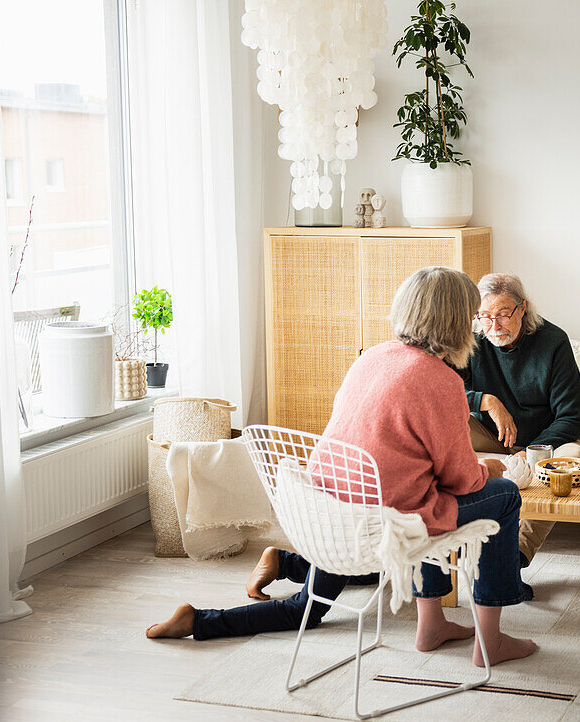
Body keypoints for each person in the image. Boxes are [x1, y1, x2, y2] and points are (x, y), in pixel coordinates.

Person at [147, 267, 537, 668]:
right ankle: (490, 641)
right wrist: (489, 469)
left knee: (302, 609)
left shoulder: (374, 356)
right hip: (380, 519)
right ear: (457, 322)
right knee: (503, 497)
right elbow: (462, 479)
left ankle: (200, 621)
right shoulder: (441, 381)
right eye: (473, 316)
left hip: (332, 509)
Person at [465, 273, 580, 566]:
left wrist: (530, 449)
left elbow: (572, 416)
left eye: (504, 314)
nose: (494, 326)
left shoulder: (553, 340)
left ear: (523, 308)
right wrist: (487, 401)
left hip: (541, 442)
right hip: (488, 433)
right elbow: (442, 395)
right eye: (485, 316)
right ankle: (448, 535)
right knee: (436, 431)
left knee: (573, 456)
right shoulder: (472, 337)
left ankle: (516, 552)